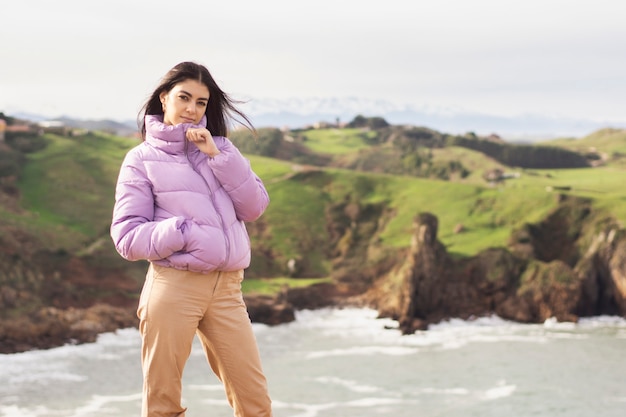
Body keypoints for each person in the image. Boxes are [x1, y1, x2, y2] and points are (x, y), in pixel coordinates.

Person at [110, 61, 272, 417]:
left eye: (201, 102)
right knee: (163, 406)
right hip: (174, 288)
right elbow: (126, 237)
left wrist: (217, 156)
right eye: (184, 98)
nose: (192, 109)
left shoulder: (220, 150)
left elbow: (255, 206)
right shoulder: (140, 160)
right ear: (164, 98)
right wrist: (183, 231)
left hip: (228, 290)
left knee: (255, 403)